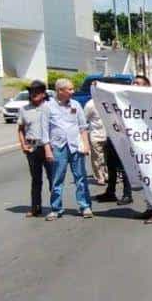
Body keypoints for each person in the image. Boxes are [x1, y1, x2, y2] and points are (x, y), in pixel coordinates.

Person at [45, 78, 93, 220]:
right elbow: (44, 131)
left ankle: (85, 206)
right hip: (58, 147)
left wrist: (85, 145)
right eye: (69, 89)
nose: (72, 92)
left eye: (72, 89)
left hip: (75, 146)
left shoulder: (76, 105)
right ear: (60, 91)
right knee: (57, 179)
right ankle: (56, 208)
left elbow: (83, 127)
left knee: (80, 178)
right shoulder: (48, 107)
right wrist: (47, 150)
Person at [16, 80, 54, 218]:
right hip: (32, 147)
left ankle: (55, 207)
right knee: (36, 179)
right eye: (31, 92)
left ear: (43, 94)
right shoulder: (24, 109)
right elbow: (20, 129)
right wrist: (23, 144)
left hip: (48, 147)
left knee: (53, 178)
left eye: (37, 92)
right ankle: (35, 207)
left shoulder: (50, 107)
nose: (34, 94)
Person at [83, 94, 107, 187]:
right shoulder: (90, 105)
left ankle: (106, 174)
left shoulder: (107, 102)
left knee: (106, 157)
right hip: (96, 135)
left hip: (108, 135)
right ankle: (99, 177)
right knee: (97, 157)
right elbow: (84, 120)